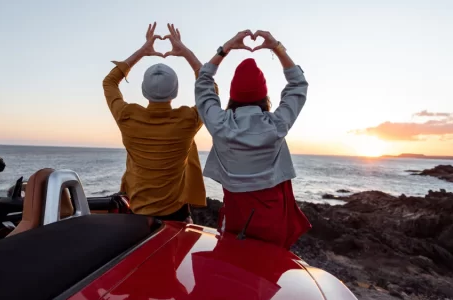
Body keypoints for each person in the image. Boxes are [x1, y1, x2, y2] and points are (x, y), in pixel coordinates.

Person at [195, 29, 311, 248]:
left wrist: (226, 48)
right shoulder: (277, 125)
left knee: (233, 268)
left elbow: (203, 82)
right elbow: (298, 85)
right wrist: (277, 48)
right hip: (272, 217)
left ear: (233, 96)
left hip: (237, 217)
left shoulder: (220, 125)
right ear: (264, 97)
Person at [103, 22, 208, 221]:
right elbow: (209, 88)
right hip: (176, 215)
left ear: (143, 90)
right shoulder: (188, 120)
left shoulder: (127, 116)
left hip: (138, 214)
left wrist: (142, 51)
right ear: (176, 91)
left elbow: (109, 82)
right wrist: (185, 52)